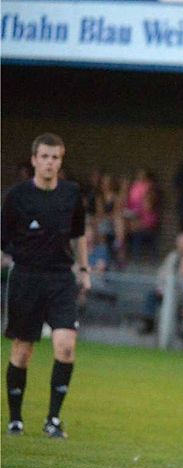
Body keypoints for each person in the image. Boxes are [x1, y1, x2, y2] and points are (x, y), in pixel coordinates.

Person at [2, 133, 91, 438]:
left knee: (66, 346)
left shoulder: (71, 194)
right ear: (34, 160)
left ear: (60, 161)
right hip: (26, 277)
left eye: (55, 157)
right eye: (45, 157)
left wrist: (84, 269)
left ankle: (53, 420)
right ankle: (15, 419)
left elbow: (79, 234)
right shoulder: (16, 197)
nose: (50, 162)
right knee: (22, 350)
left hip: (61, 279)